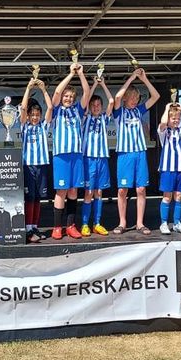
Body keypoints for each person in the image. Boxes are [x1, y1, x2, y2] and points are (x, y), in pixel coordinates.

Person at [112, 68, 160, 235]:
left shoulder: (139, 110)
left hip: (139, 152)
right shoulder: (119, 112)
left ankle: (140, 223)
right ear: (126, 98)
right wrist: (132, 77)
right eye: (131, 97)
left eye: (136, 98)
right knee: (122, 190)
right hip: (124, 154)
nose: (134, 100)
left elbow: (156, 96)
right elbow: (117, 97)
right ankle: (122, 222)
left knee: (141, 189)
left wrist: (144, 79)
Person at [50, 62, 90, 239]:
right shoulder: (56, 110)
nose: (67, 98)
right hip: (61, 155)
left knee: (73, 191)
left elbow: (87, 92)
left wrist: (80, 74)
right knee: (61, 191)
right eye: (66, 96)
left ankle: (71, 226)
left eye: (70, 96)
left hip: (76, 155)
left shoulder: (78, 110)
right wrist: (71, 74)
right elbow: (57, 93)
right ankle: (57, 227)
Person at [20, 78, 53, 243]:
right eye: (32, 115)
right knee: (30, 197)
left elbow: (50, 107)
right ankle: (27, 229)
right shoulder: (24, 126)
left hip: (42, 166)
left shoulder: (43, 127)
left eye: (37, 115)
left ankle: (34, 227)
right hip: (28, 166)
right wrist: (28, 88)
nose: (35, 117)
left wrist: (43, 90)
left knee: (38, 197)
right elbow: (23, 108)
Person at [80, 77, 114, 237]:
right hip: (89, 159)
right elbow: (86, 99)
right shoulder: (85, 117)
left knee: (99, 192)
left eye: (98, 105)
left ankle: (97, 224)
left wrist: (103, 84)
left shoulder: (104, 118)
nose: (95, 107)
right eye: (93, 105)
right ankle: (84, 224)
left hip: (102, 159)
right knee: (88, 192)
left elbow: (112, 101)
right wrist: (94, 84)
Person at [157, 103, 181, 235]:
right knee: (167, 196)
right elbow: (163, 123)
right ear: (168, 118)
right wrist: (166, 108)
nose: (176, 120)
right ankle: (163, 223)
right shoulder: (163, 131)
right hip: (167, 168)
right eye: (173, 118)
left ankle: (177, 223)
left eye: (178, 118)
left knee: (178, 196)